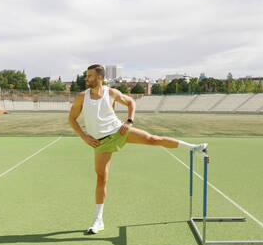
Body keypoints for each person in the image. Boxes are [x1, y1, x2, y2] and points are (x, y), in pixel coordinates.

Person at [68, 64, 207, 234]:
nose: (85, 78)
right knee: (101, 179)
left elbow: (130, 102)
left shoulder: (111, 92)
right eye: (86, 75)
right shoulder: (82, 97)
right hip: (100, 143)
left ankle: (194, 147)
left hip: (119, 132)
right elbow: (72, 119)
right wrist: (84, 137)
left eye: (89, 76)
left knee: (153, 139)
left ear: (99, 77)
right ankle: (99, 220)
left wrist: (129, 121)